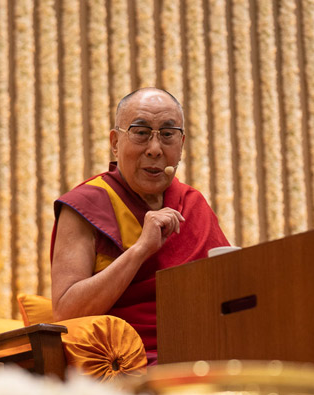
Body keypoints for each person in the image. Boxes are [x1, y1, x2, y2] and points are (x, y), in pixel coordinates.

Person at [50, 87, 229, 364]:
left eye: (168, 135)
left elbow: (228, 291)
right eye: (141, 132)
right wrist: (140, 250)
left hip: (206, 354)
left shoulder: (192, 204)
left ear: (181, 145)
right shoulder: (86, 205)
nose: (155, 149)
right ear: (115, 142)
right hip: (129, 364)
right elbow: (66, 311)